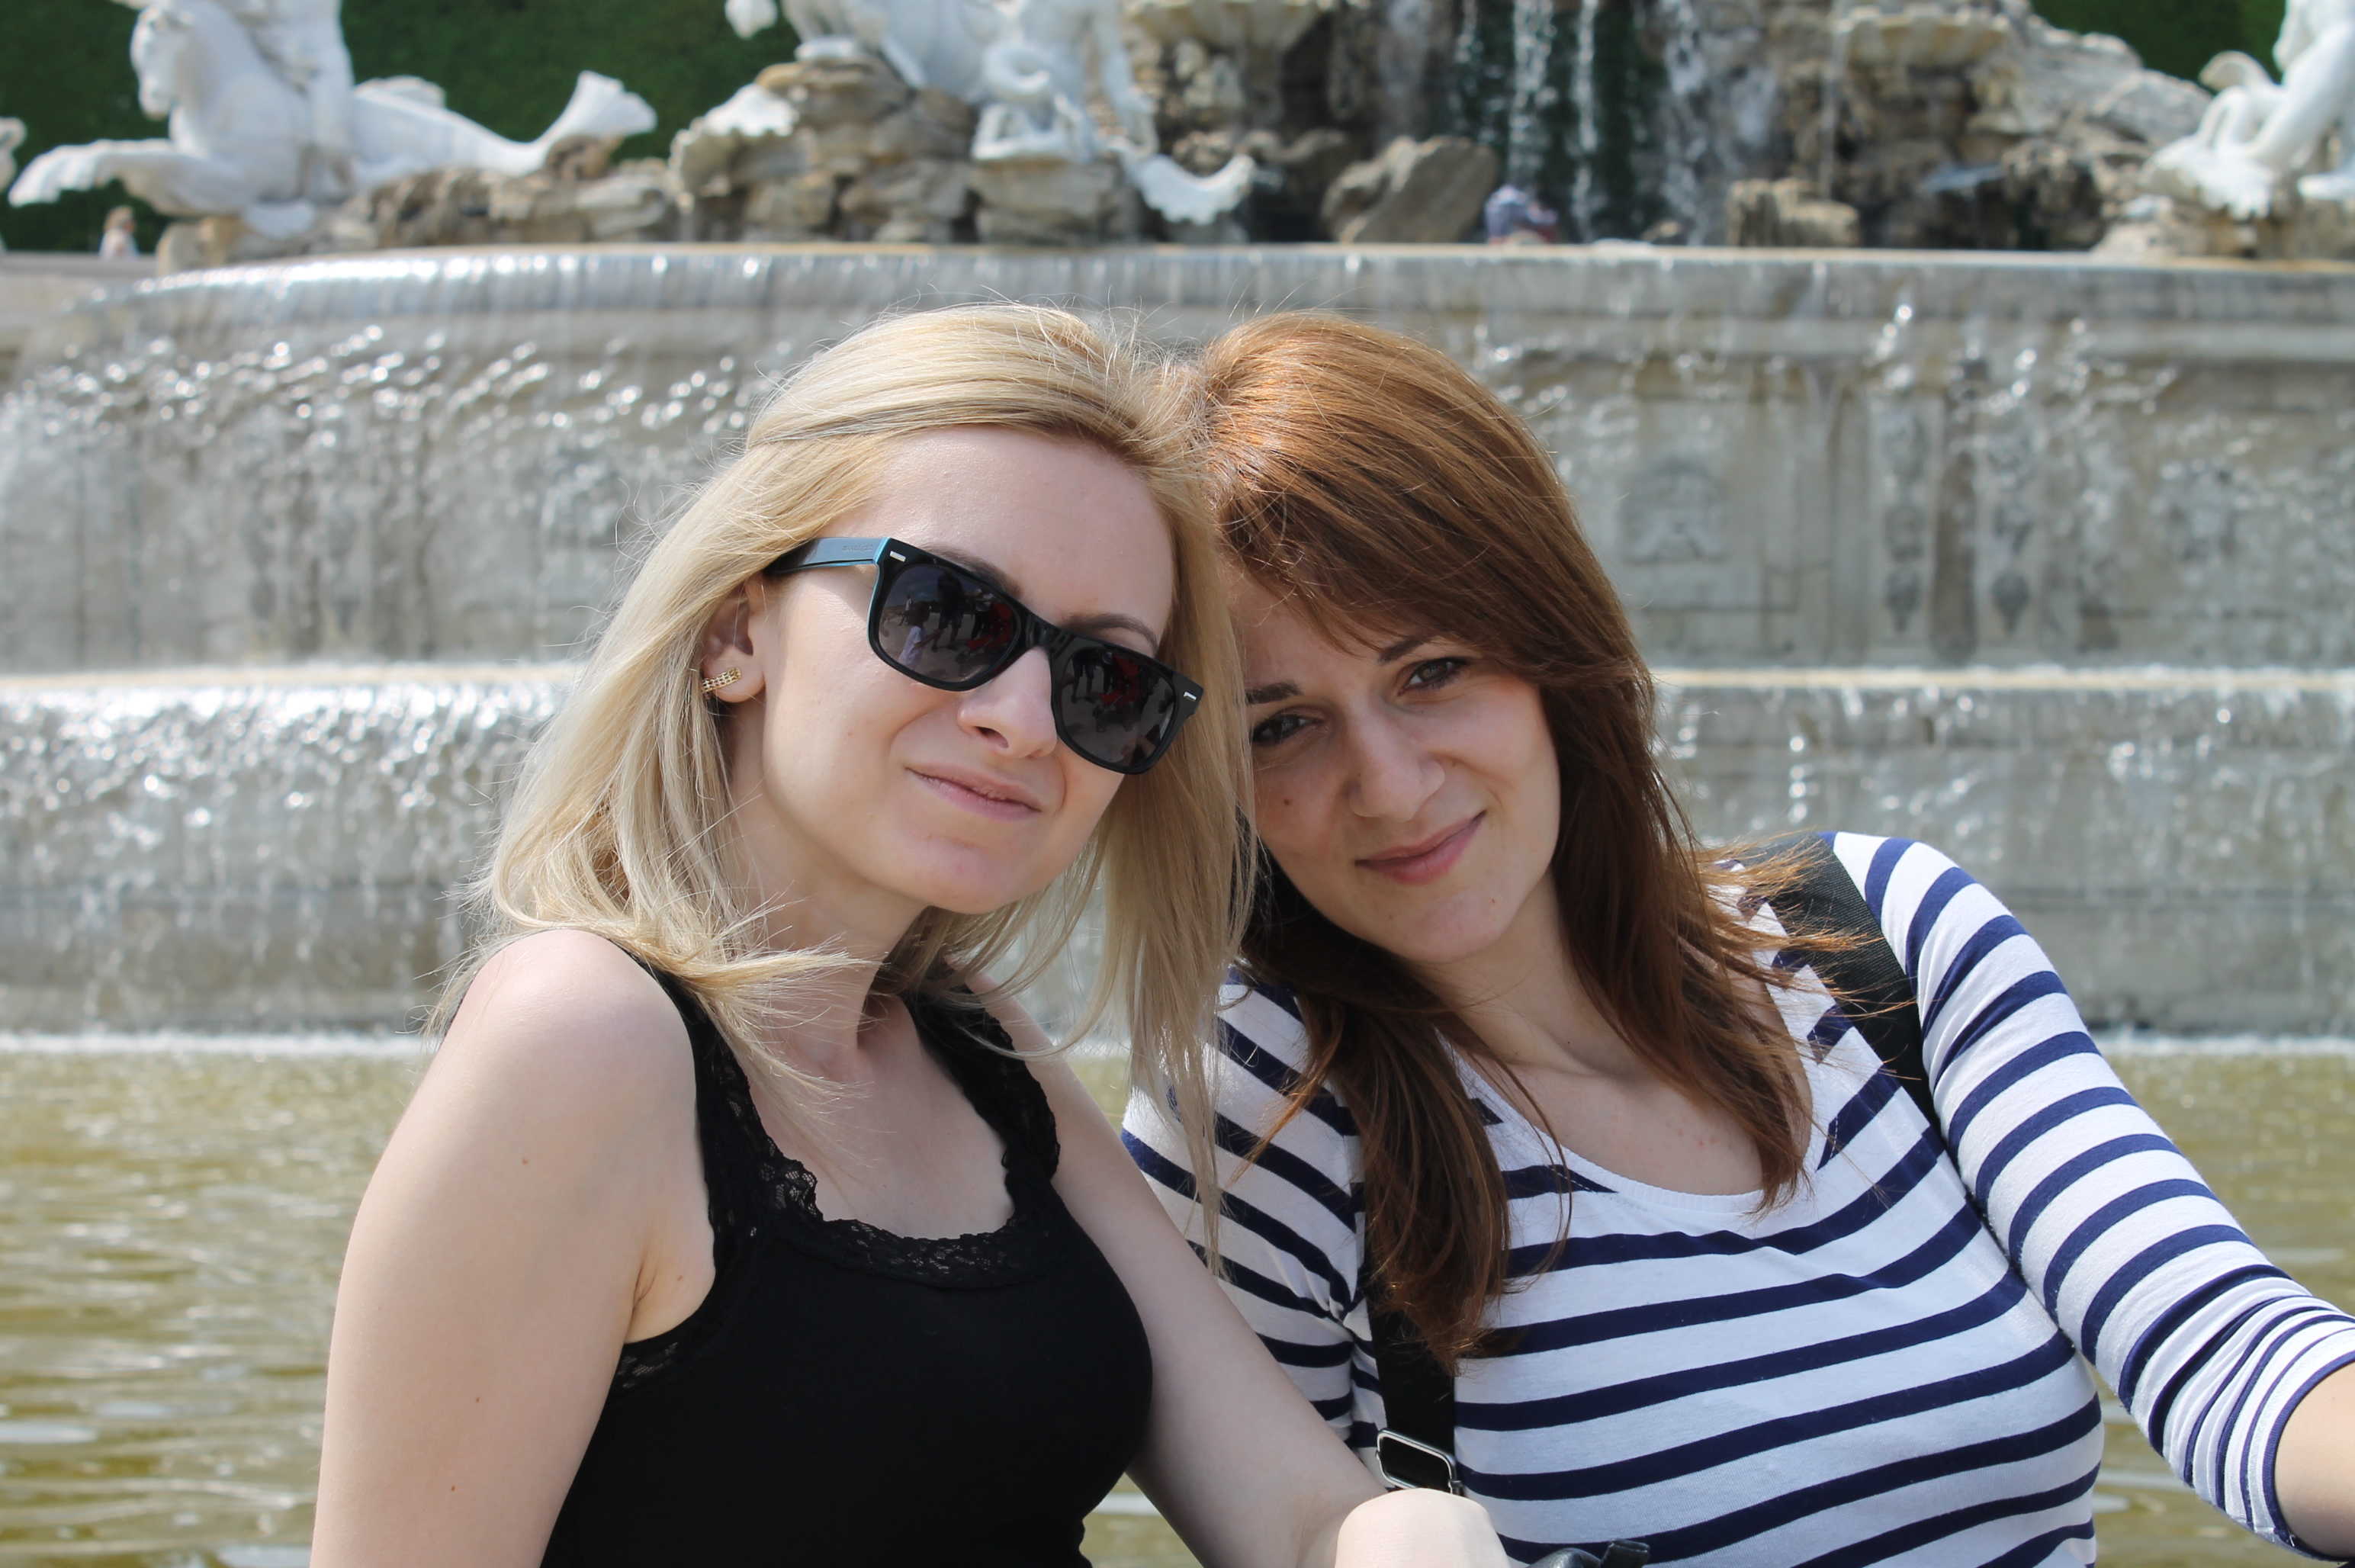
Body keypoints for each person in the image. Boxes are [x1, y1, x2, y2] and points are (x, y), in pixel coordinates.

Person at [1123, 311, 2355, 1565]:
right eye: (1281, 728)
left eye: (1432, 671)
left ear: (1554, 655)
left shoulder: (1883, 939)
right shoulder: (1260, 1110)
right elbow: (1288, 1535)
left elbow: (2231, 1355)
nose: (1389, 787)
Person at [311, 306, 1509, 1568]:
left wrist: (1423, 1536)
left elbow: (1301, 1519)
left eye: (1105, 679)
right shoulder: (580, 1038)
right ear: (735, 632)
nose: (1024, 720)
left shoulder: (971, 1039)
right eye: (949, 613)